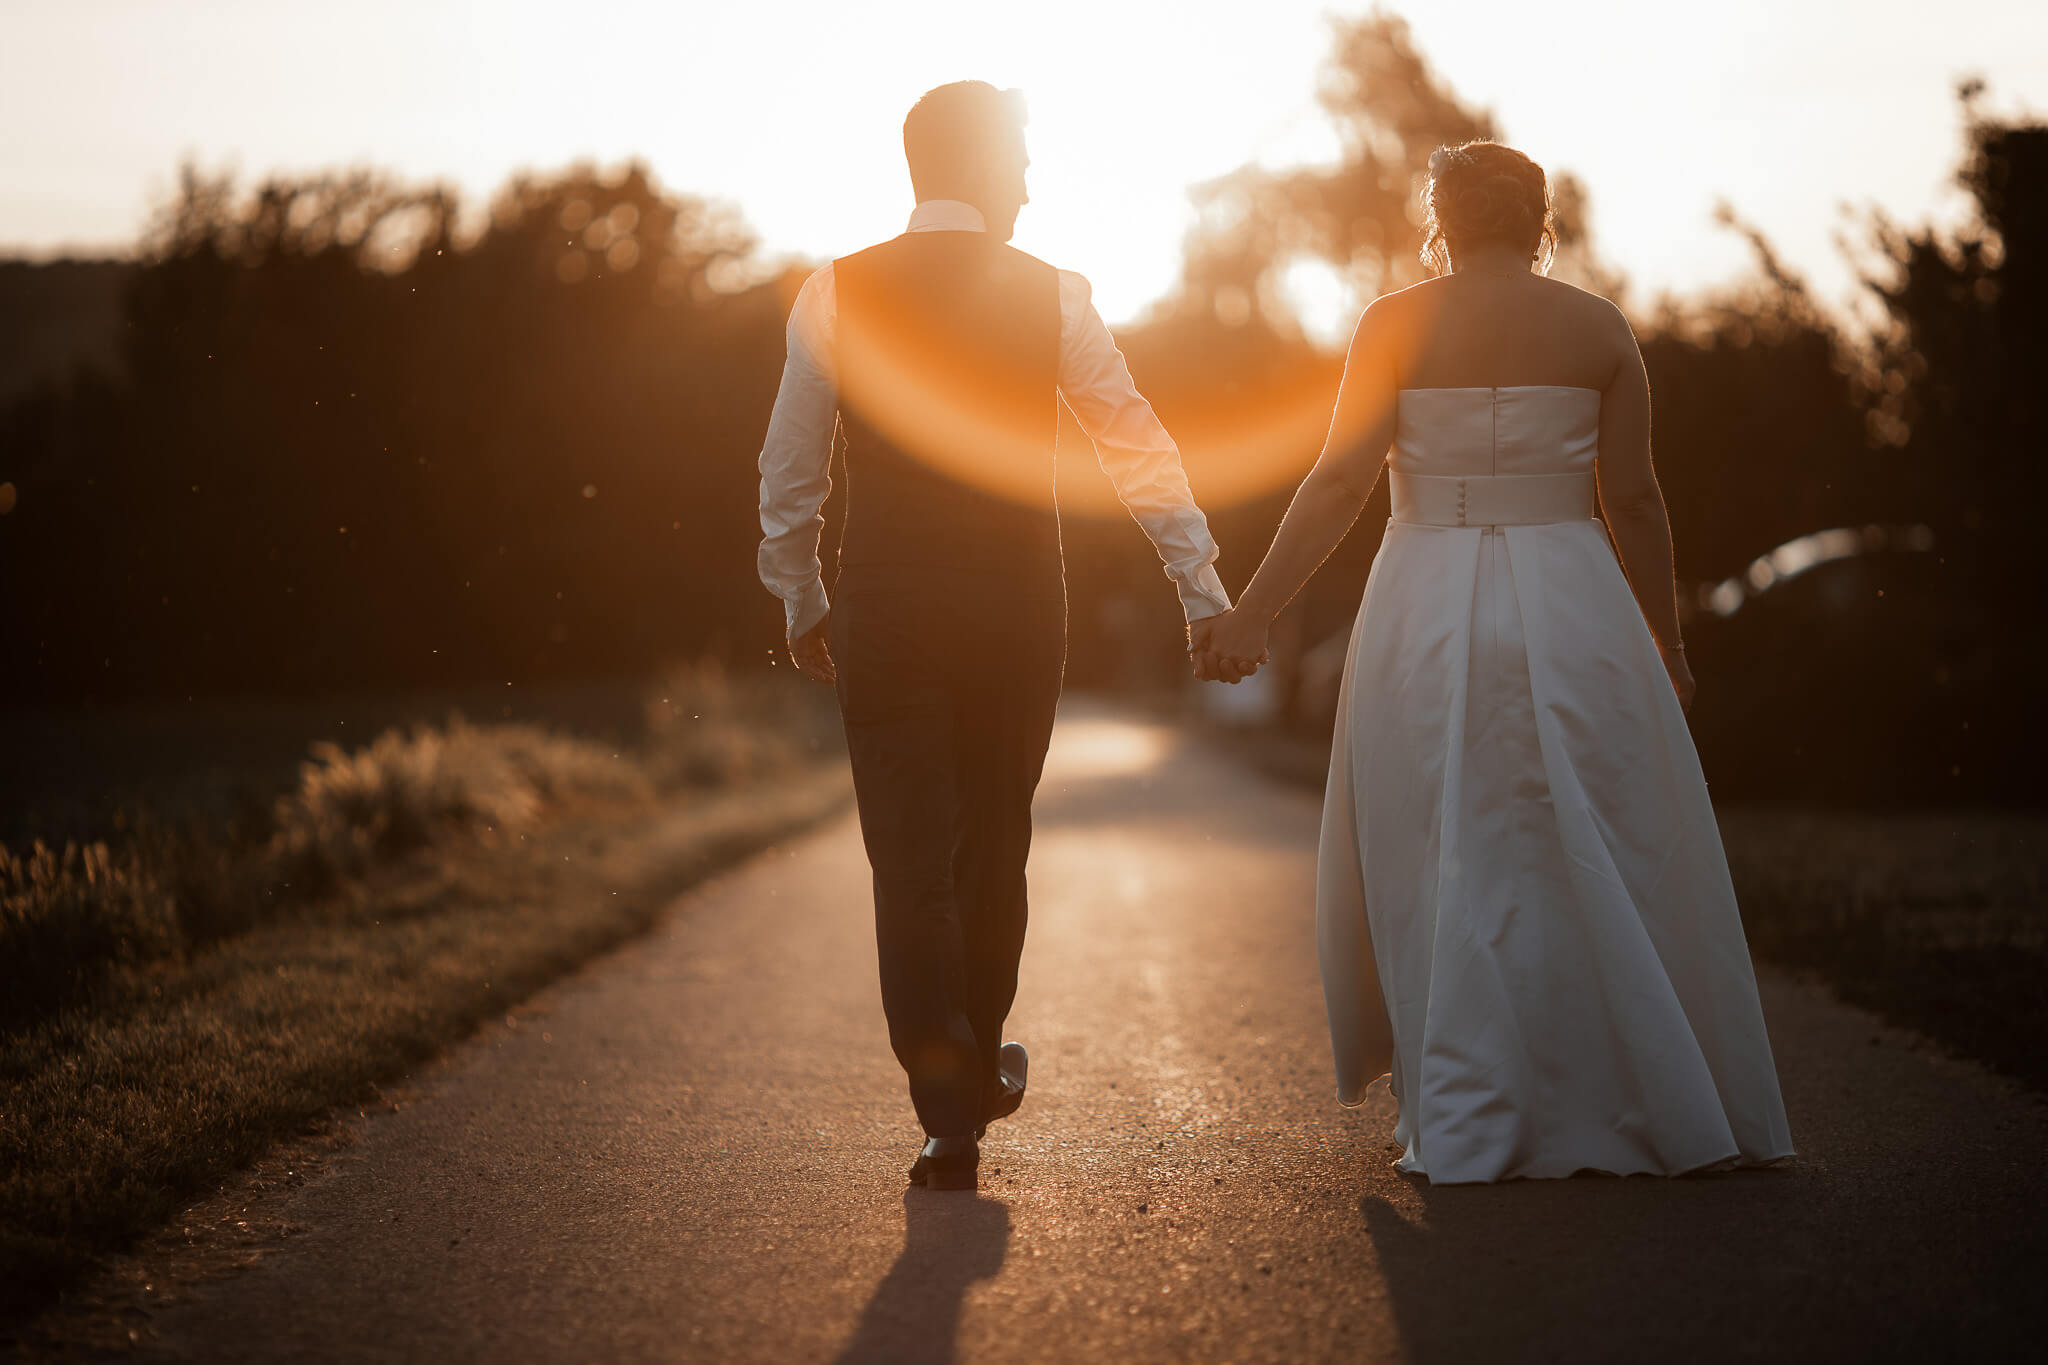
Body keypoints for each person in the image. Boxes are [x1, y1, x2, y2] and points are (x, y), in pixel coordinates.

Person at [1195, 141, 1795, 1182]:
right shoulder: (1596, 327)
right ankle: (1621, 1092)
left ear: (1442, 217)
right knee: (1586, 836)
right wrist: (1667, 644)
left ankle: (1463, 1103)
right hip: (1572, 602)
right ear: (1537, 221)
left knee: (1440, 836)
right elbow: (1637, 501)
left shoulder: (1393, 323)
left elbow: (1339, 481)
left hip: (1422, 598)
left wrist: (1251, 610)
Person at [757, 81, 1232, 1191]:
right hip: (1017, 607)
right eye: (1019, 159)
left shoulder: (835, 291)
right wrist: (1197, 583)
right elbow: (1133, 441)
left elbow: (789, 468)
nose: (1029, 182)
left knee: (907, 859)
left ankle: (947, 1109)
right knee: (993, 844)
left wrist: (798, 595)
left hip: (883, 603)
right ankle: (969, 1071)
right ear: (974, 166)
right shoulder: (1051, 295)